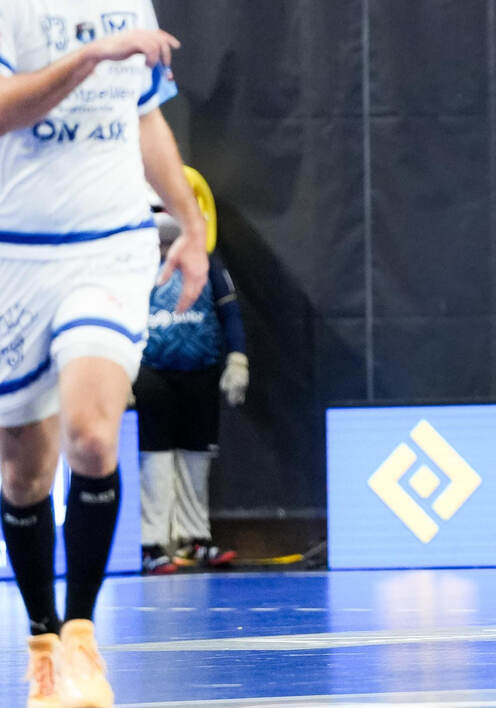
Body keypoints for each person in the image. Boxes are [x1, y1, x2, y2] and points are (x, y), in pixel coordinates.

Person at [0, 2, 208, 706]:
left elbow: (145, 119)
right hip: (17, 256)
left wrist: (190, 225)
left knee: (92, 437)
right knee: (24, 472)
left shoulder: (129, 3)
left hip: (111, 247)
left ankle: (82, 639)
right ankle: (42, 641)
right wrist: (91, 56)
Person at [137, 187, 247, 575]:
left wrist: (238, 359)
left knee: (196, 458)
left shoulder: (206, 261)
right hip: (151, 373)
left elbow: (229, 313)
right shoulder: (132, 264)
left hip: (200, 372)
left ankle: (194, 537)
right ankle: (152, 543)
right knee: (154, 460)